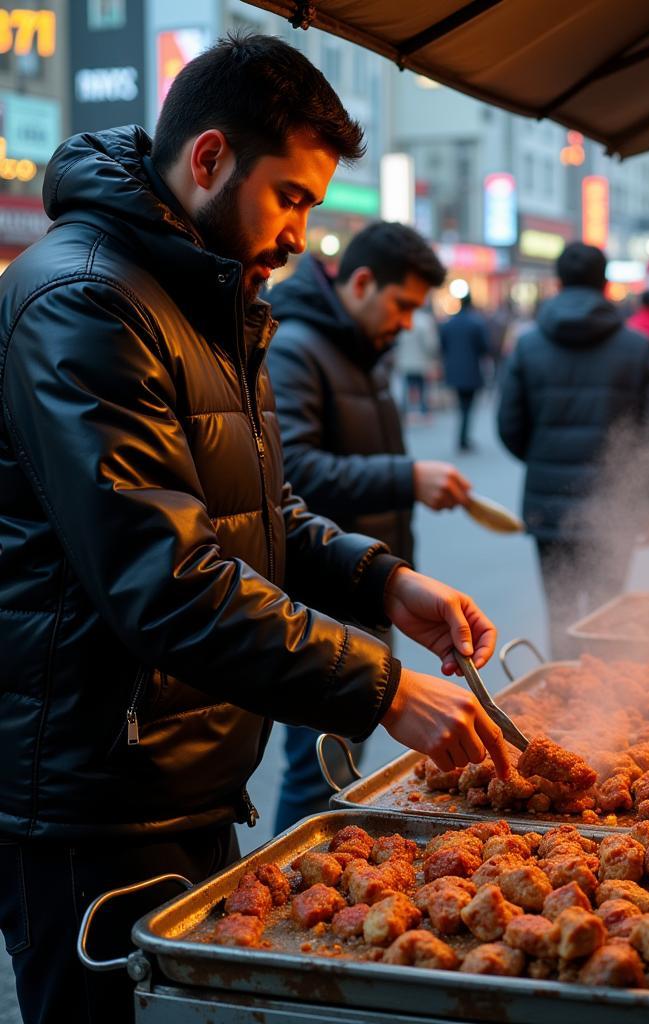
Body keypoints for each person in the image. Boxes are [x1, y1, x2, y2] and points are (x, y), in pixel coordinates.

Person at [0, 34, 508, 1024]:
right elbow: (168, 576)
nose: (303, 234)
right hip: (89, 795)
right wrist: (381, 688)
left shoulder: (211, 292)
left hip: (183, 770)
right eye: (293, 197)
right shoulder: (85, 300)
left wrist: (383, 583)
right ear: (209, 159)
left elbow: (259, 512)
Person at [266, 225, 474, 831]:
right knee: (318, 763)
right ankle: (295, 869)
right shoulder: (296, 348)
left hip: (363, 580)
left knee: (339, 758)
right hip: (320, 597)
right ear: (361, 283)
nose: (409, 323)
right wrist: (406, 477)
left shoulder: (362, 349)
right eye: (403, 304)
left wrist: (389, 579)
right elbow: (292, 473)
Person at [497, 242, 649, 659]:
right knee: (606, 615)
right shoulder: (637, 347)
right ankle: (603, 710)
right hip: (616, 503)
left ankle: (560, 708)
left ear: (557, 284)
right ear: (607, 285)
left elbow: (509, 426)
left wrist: (545, 457)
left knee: (560, 613)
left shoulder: (528, 346)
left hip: (549, 506)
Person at [440, 292, 491, 451]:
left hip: (454, 370)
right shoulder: (476, 323)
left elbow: (442, 346)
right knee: (468, 407)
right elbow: (484, 347)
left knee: (462, 406)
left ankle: (462, 437)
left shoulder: (449, 323)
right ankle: (463, 438)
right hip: (471, 370)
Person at [395, 304, 441, 418]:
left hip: (404, 361)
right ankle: (423, 410)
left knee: (406, 386)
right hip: (421, 361)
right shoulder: (425, 321)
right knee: (423, 387)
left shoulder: (402, 319)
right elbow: (430, 344)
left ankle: (404, 410)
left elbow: (396, 342)